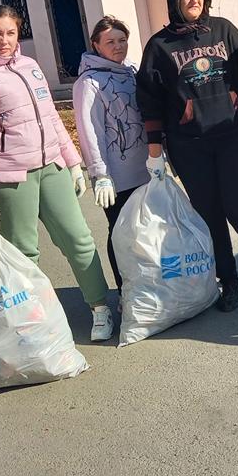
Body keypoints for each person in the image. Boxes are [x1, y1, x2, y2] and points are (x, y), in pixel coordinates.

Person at [0, 4, 114, 342]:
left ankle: (100, 307)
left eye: (10, 32)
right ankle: (36, 321)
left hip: (52, 167)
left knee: (79, 240)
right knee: (25, 253)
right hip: (10, 178)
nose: (4, 40)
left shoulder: (30, 66)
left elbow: (52, 119)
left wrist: (73, 163)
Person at [136, 0, 238, 313]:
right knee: (209, 216)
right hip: (189, 146)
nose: (194, 0)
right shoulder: (159, 46)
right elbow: (150, 100)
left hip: (233, 137)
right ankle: (228, 281)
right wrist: (155, 152)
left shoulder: (224, 30)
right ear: (175, 1)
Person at [72, 15, 148, 291]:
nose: (118, 46)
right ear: (96, 45)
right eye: (110, 42)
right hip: (116, 176)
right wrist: (99, 173)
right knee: (120, 233)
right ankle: (127, 290)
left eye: (122, 40)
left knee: (145, 232)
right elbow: (90, 131)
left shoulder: (131, 72)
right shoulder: (88, 83)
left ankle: (149, 284)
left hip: (144, 169)